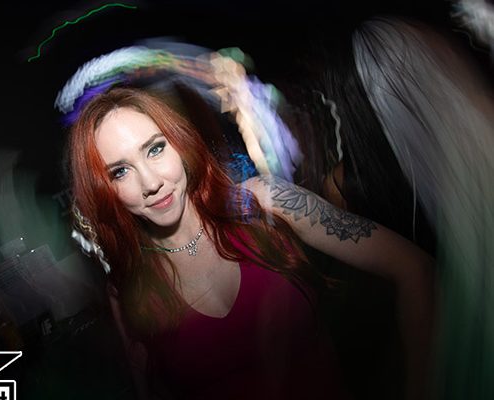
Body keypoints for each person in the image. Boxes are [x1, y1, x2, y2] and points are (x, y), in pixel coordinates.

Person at [66, 86, 434, 399]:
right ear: (104, 190)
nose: (150, 182)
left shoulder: (266, 203)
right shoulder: (128, 287)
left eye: (155, 149)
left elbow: (414, 268)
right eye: (120, 171)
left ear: (179, 143)